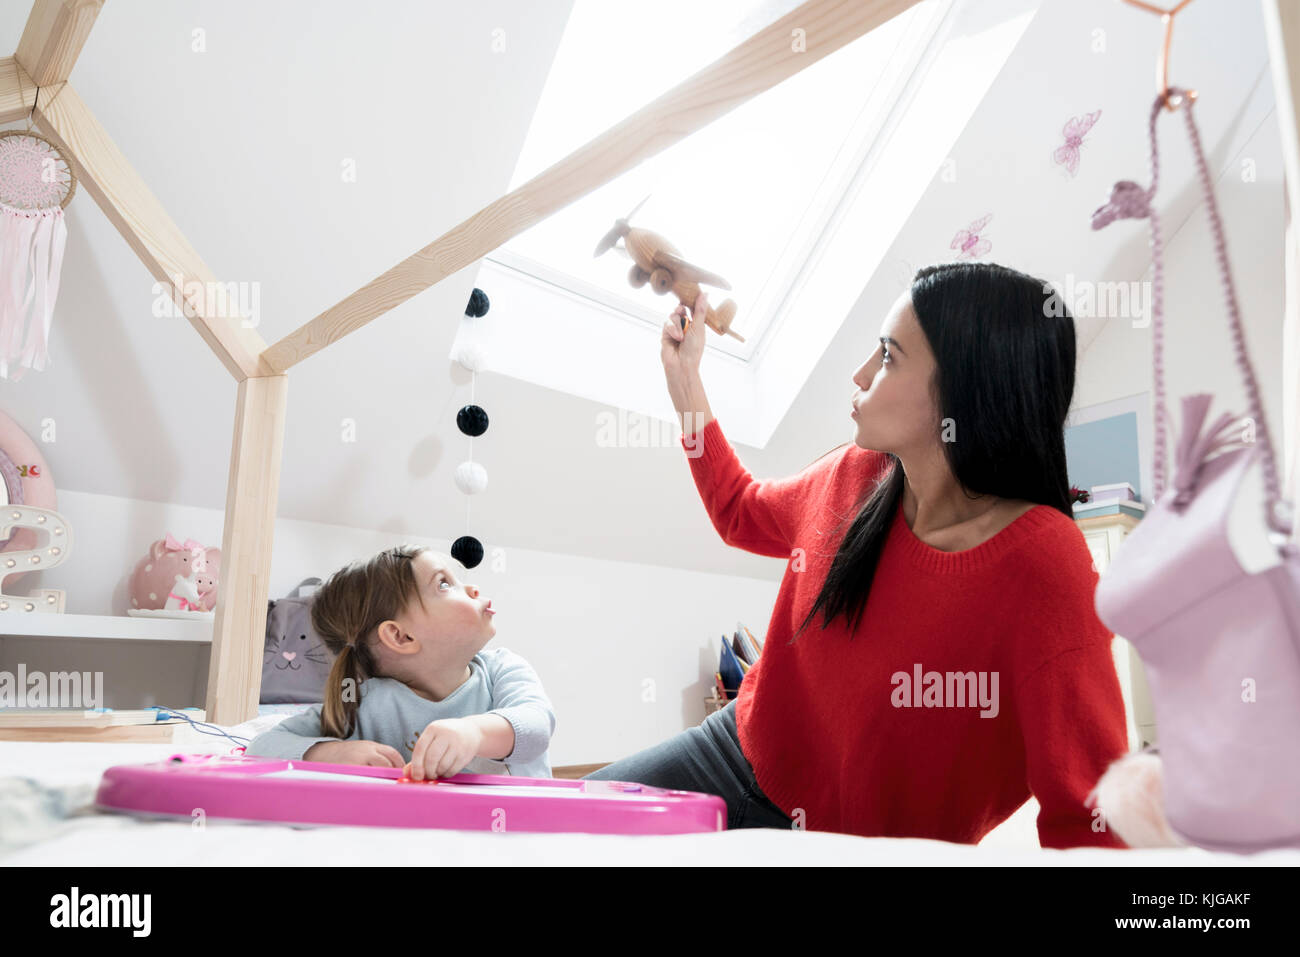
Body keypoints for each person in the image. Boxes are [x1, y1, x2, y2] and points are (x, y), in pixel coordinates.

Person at [585, 261, 1131, 849]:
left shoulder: (1043, 561)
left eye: (889, 356)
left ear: (967, 390)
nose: (861, 372)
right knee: (548, 836)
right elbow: (739, 511)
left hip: (856, 848)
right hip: (732, 752)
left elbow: (1090, 816)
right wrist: (686, 383)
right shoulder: (857, 473)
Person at [246, 544, 555, 780]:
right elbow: (261, 747)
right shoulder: (362, 703)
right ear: (401, 636)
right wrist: (333, 752)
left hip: (529, 829)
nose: (472, 588)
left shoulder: (502, 669)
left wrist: (474, 733)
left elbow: (537, 727)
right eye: (444, 584)